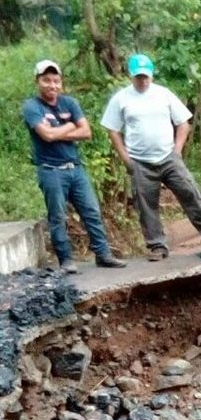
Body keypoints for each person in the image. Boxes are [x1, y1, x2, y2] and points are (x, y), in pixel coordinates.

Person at [100, 54, 201, 261]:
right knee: (146, 206)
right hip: (140, 161)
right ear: (131, 76)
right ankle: (157, 246)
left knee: (190, 192)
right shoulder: (121, 99)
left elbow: (183, 123)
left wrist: (177, 150)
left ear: (151, 75)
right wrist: (126, 158)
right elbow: (113, 130)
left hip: (168, 156)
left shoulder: (164, 95)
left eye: (145, 77)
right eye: (138, 77)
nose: (142, 81)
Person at [22, 60, 127, 274]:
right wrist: (70, 126)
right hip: (50, 170)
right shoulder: (32, 107)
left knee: (92, 211)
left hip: (75, 168)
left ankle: (103, 254)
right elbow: (46, 135)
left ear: (61, 83)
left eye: (56, 81)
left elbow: (86, 132)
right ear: (38, 81)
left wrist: (59, 130)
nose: (52, 85)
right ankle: (66, 261)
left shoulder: (69, 103)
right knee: (58, 216)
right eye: (47, 81)